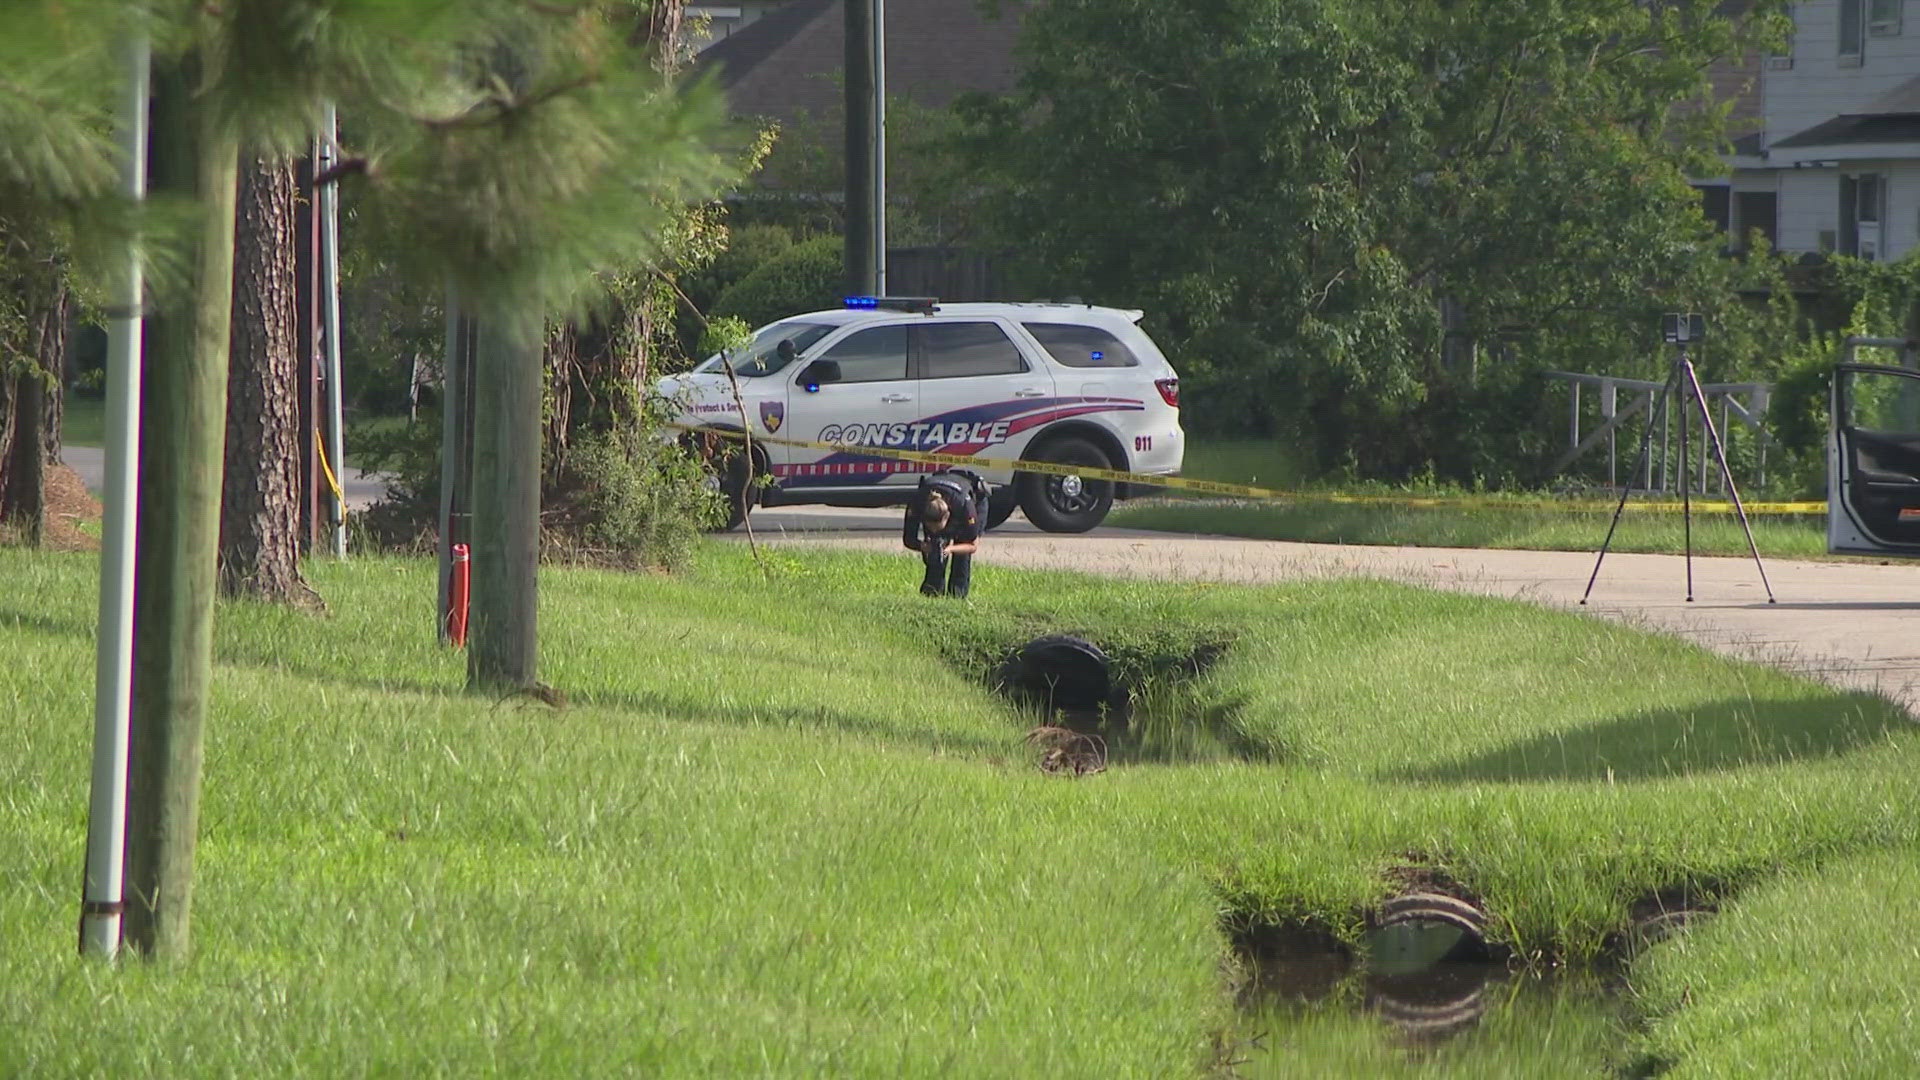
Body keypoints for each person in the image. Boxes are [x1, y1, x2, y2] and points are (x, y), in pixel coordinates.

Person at [903, 470, 990, 598]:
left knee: (961, 555)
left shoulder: (965, 507)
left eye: (938, 528)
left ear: (948, 518)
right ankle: (932, 592)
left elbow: (972, 545)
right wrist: (923, 546)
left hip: (975, 498)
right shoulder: (918, 502)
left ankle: (957, 595)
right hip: (942, 491)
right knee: (936, 548)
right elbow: (908, 539)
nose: (935, 531)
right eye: (931, 528)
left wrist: (950, 549)